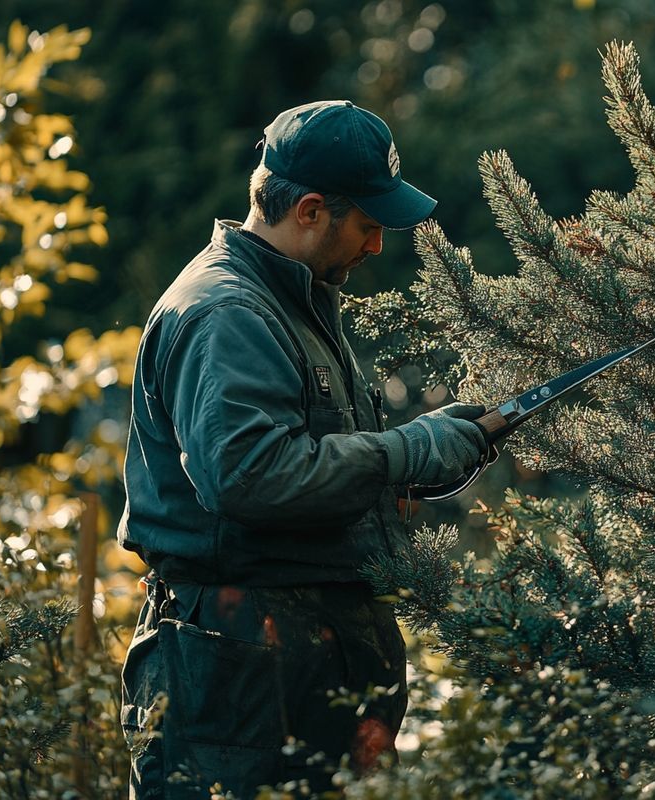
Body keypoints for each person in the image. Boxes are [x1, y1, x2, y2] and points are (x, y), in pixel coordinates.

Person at [116, 100, 487, 798]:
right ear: (311, 209)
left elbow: (318, 470)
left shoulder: (295, 301)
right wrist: (406, 450)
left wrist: (438, 451)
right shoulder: (228, 314)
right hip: (237, 690)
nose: (378, 247)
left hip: (296, 672)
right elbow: (248, 478)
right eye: (369, 226)